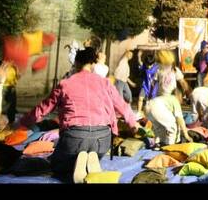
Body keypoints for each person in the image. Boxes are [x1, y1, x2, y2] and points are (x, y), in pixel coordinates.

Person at [18, 47, 139, 183]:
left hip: (74, 137)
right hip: (102, 139)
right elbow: (122, 105)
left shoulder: (65, 84)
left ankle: (73, 163)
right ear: (93, 64)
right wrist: (133, 124)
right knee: (93, 150)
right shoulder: (105, 83)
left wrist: (23, 122)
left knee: (57, 165)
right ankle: (90, 161)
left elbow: (43, 108)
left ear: (76, 63)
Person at [136, 51, 159, 118]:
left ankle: (151, 115)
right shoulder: (144, 66)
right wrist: (139, 56)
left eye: (150, 65)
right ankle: (138, 112)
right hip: (145, 85)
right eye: (147, 65)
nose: (148, 66)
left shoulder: (156, 67)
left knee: (150, 102)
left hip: (153, 87)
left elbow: (156, 78)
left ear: (153, 63)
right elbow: (140, 62)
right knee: (140, 98)